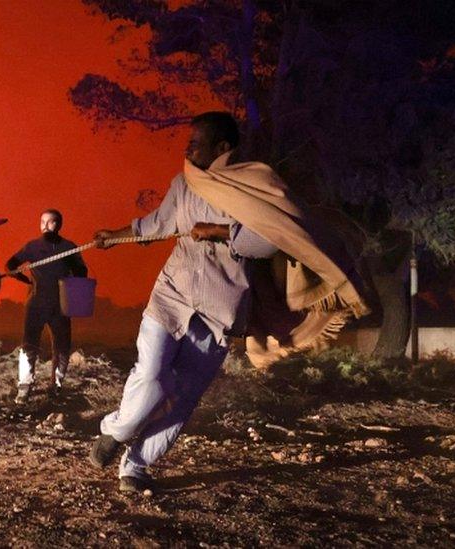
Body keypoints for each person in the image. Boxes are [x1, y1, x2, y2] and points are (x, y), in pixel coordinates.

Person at [89, 111, 368, 495]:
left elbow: (271, 239)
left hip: (221, 312)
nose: (187, 149)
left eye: (195, 143)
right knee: (151, 376)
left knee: (181, 397)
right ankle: (116, 429)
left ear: (222, 148)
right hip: (172, 296)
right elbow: (155, 225)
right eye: (188, 143)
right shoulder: (183, 184)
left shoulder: (251, 186)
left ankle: (135, 466)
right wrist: (114, 236)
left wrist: (221, 231)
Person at [6, 209, 88, 403]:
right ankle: (24, 388)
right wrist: (21, 276)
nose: (45, 225)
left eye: (51, 222)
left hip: (61, 304)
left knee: (62, 347)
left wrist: (71, 266)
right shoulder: (32, 247)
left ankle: (57, 387)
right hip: (35, 302)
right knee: (28, 345)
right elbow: (10, 264)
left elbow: (82, 272)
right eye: (42, 221)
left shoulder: (69, 247)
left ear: (59, 225)